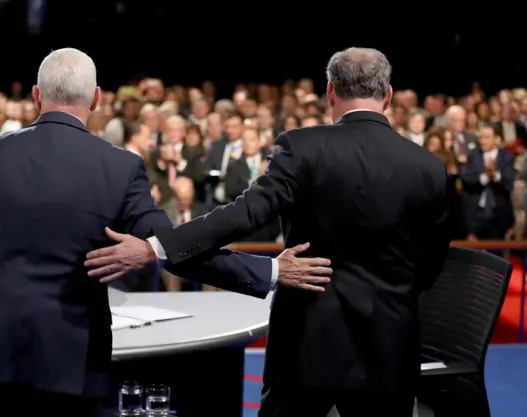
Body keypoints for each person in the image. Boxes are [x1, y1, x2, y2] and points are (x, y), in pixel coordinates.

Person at [0, 48, 333, 417]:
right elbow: (174, 246)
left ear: (37, 96)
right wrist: (271, 271)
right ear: (95, 100)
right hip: (69, 365)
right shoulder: (118, 167)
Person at [86, 48, 451, 417]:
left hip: (307, 340)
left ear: (330, 93)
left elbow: (244, 214)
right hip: (389, 344)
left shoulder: (302, 147)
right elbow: (430, 265)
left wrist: (156, 248)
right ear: (387, 95)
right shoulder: (429, 168)